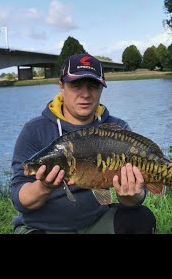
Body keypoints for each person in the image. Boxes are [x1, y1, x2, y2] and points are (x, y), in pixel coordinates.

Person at [11, 53, 156, 234]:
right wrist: (44, 186)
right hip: (43, 227)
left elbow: (132, 201)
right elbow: (19, 199)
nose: (85, 94)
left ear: (101, 88)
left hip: (97, 221)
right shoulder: (35, 130)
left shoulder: (117, 130)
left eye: (92, 86)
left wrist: (133, 195)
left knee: (141, 218)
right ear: (62, 86)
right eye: (76, 85)